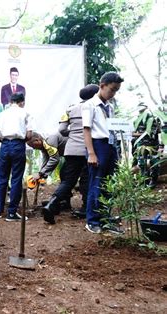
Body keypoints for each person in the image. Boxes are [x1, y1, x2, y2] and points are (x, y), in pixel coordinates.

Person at [49, 84, 100, 221]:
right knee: (86, 178)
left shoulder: (70, 109)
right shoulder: (96, 107)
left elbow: (61, 130)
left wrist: (74, 133)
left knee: (68, 180)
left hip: (71, 148)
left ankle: (51, 203)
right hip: (87, 148)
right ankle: (85, 207)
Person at [82, 72, 124, 234]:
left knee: (108, 186)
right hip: (97, 146)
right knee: (96, 184)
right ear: (102, 86)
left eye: (116, 91)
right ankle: (92, 221)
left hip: (110, 146)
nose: (113, 94)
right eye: (112, 90)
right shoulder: (90, 105)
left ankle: (105, 219)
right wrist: (91, 153)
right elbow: (86, 130)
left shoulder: (110, 107)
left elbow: (111, 130)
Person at [0, 93, 33, 221]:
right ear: (22, 102)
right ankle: (11, 212)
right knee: (16, 178)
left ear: (11, 101)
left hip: (4, 146)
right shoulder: (25, 113)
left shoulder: (2, 114)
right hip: (18, 145)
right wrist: (20, 141)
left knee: (2, 178)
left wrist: (4, 141)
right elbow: (30, 134)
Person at [26, 132, 67, 224]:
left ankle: (55, 203)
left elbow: (54, 159)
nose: (32, 148)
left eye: (32, 145)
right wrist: (40, 174)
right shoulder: (44, 146)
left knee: (67, 177)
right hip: (71, 156)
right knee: (64, 175)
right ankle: (65, 202)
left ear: (37, 140)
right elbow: (46, 159)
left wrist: (40, 173)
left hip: (78, 155)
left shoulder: (49, 142)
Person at [132, 104, 161, 188]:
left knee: (155, 163)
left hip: (153, 145)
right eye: (140, 111)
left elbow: (156, 132)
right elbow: (132, 133)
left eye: (143, 110)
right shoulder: (136, 120)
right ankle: (144, 182)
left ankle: (153, 182)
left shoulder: (154, 119)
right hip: (141, 145)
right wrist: (142, 134)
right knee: (142, 164)